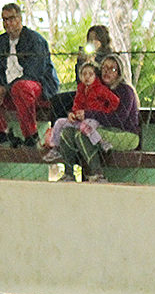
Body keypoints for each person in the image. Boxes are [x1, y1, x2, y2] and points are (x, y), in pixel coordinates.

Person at [0, 2, 60, 148]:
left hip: (37, 88)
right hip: (8, 89)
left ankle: (31, 136)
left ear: (20, 19)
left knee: (21, 87)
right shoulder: (1, 41)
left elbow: (34, 73)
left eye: (11, 18)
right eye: (4, 19)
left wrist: (5, 88)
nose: (8, 23)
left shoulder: (34, 40)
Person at [55, 55, 140, 183]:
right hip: (100, 129)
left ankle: (97, 174)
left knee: (82, 134)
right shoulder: (96, 89)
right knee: (67, 132)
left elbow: (119, 120)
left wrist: (89, 115)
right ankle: (68, 174)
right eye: (104, 68)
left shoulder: (125, 91)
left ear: (119, 73)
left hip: (124, 133)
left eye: (112, 69)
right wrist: (75, 115)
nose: (106, 72)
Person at [42, 60, 119, 163]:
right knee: (59, 122)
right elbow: (77, 104)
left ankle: (101, 142)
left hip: (93, 119)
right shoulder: (81, 89)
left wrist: (104, 111)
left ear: (95, 76)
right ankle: (55, 147)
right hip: (80, 119)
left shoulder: (100, 89)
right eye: (84, 74)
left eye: (90, 74)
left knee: (84, 127)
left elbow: (115, 101)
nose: (87, 77)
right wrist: (73, 114)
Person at [49, 24, 114, 120]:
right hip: (84, 92)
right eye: (90, 39)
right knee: (58, 100)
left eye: (95, 39)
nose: (92, 42)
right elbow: (80, 80)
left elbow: (105, 79)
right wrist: (82, 63)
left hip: (100, 93)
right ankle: (59, 129)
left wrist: (95, 62)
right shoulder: (85, 54)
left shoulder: (108, 56)